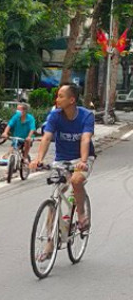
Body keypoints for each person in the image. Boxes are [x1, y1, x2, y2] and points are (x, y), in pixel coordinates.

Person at [30, 83, 94, 239]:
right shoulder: (55, 116)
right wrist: (38, 159)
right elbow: (46, 137)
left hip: (82, 158)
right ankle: (50, 244)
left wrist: (83, 161)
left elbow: (85, 139)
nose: (57, 99)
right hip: (61, 159)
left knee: (76, 180)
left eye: (61, 96)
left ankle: (81, 215)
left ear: (72, 100)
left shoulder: (86, 116)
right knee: (55, 196)